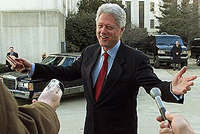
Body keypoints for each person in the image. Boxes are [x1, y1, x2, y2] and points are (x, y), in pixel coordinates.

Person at [11, 3, 197, 134]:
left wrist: (172, 89)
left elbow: (153, 86)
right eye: (100, 26)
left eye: (109, 27)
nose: (102, 31)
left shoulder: (135, 59)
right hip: (90, 129)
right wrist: (33, 67)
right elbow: (66, 73)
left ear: (121, 29)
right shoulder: (89, 52)